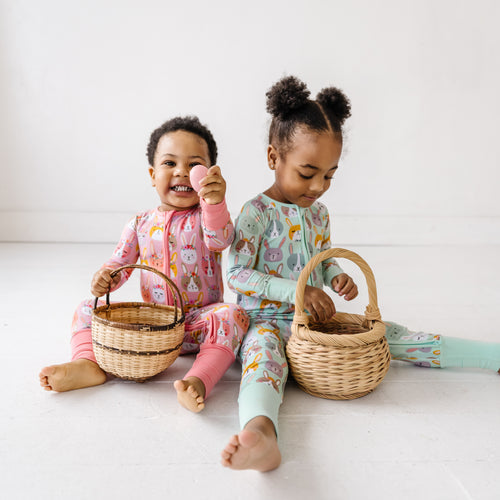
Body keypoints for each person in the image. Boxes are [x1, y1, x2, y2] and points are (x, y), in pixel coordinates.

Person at [220, 75, 500, 471]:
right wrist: (297, 291)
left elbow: (322, 256)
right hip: (267, 322)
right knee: (263, 360)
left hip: (319, 324)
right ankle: (262, 433)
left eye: (330, 174)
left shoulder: (318, 213)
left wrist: (335, 275)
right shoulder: (256, 213)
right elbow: (238, 276)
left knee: (390, 335)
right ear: (273, 158)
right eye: (307, 172)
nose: (319, 185)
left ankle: (492, 355)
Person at [39, 116, 249, 413]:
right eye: (169, 163)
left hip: (197, 325)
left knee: (233, 315)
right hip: (152, 329)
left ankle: (199, 380)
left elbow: (220, 239)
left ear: (208, 175)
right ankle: (87, 363)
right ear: (152, 174)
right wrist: (106, 277)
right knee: (87, 308)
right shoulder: (140, 223)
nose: (181, 172)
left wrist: (215, 202)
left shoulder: (206, 217)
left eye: (193, 165)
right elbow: (120, 262)